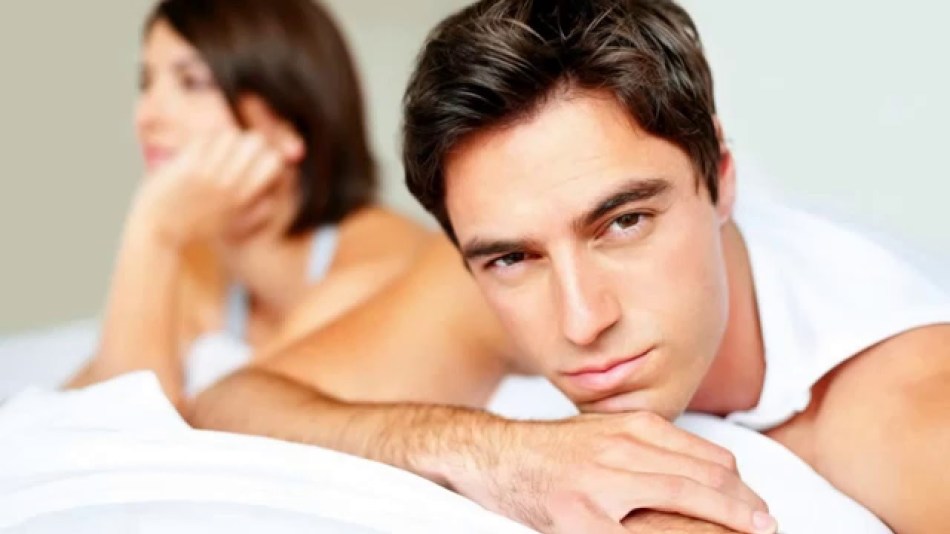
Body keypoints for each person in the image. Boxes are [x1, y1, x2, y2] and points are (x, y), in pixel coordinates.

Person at [190, 0, 950, 533]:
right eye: (511, 257)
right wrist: (507, 456)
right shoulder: (506, 268)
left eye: (624, 223)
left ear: (720, 176)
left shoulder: (909, 421)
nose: (583, 320)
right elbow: (231, 406)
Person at [66, 0, 429, 406]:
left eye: (192, 82)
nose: (146, 116)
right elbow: (85, 404)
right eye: (146, 82)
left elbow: (149, 425)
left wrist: (154, 230)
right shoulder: (199, 266)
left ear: (291, 122)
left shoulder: (379, 271)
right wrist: (156, 234)